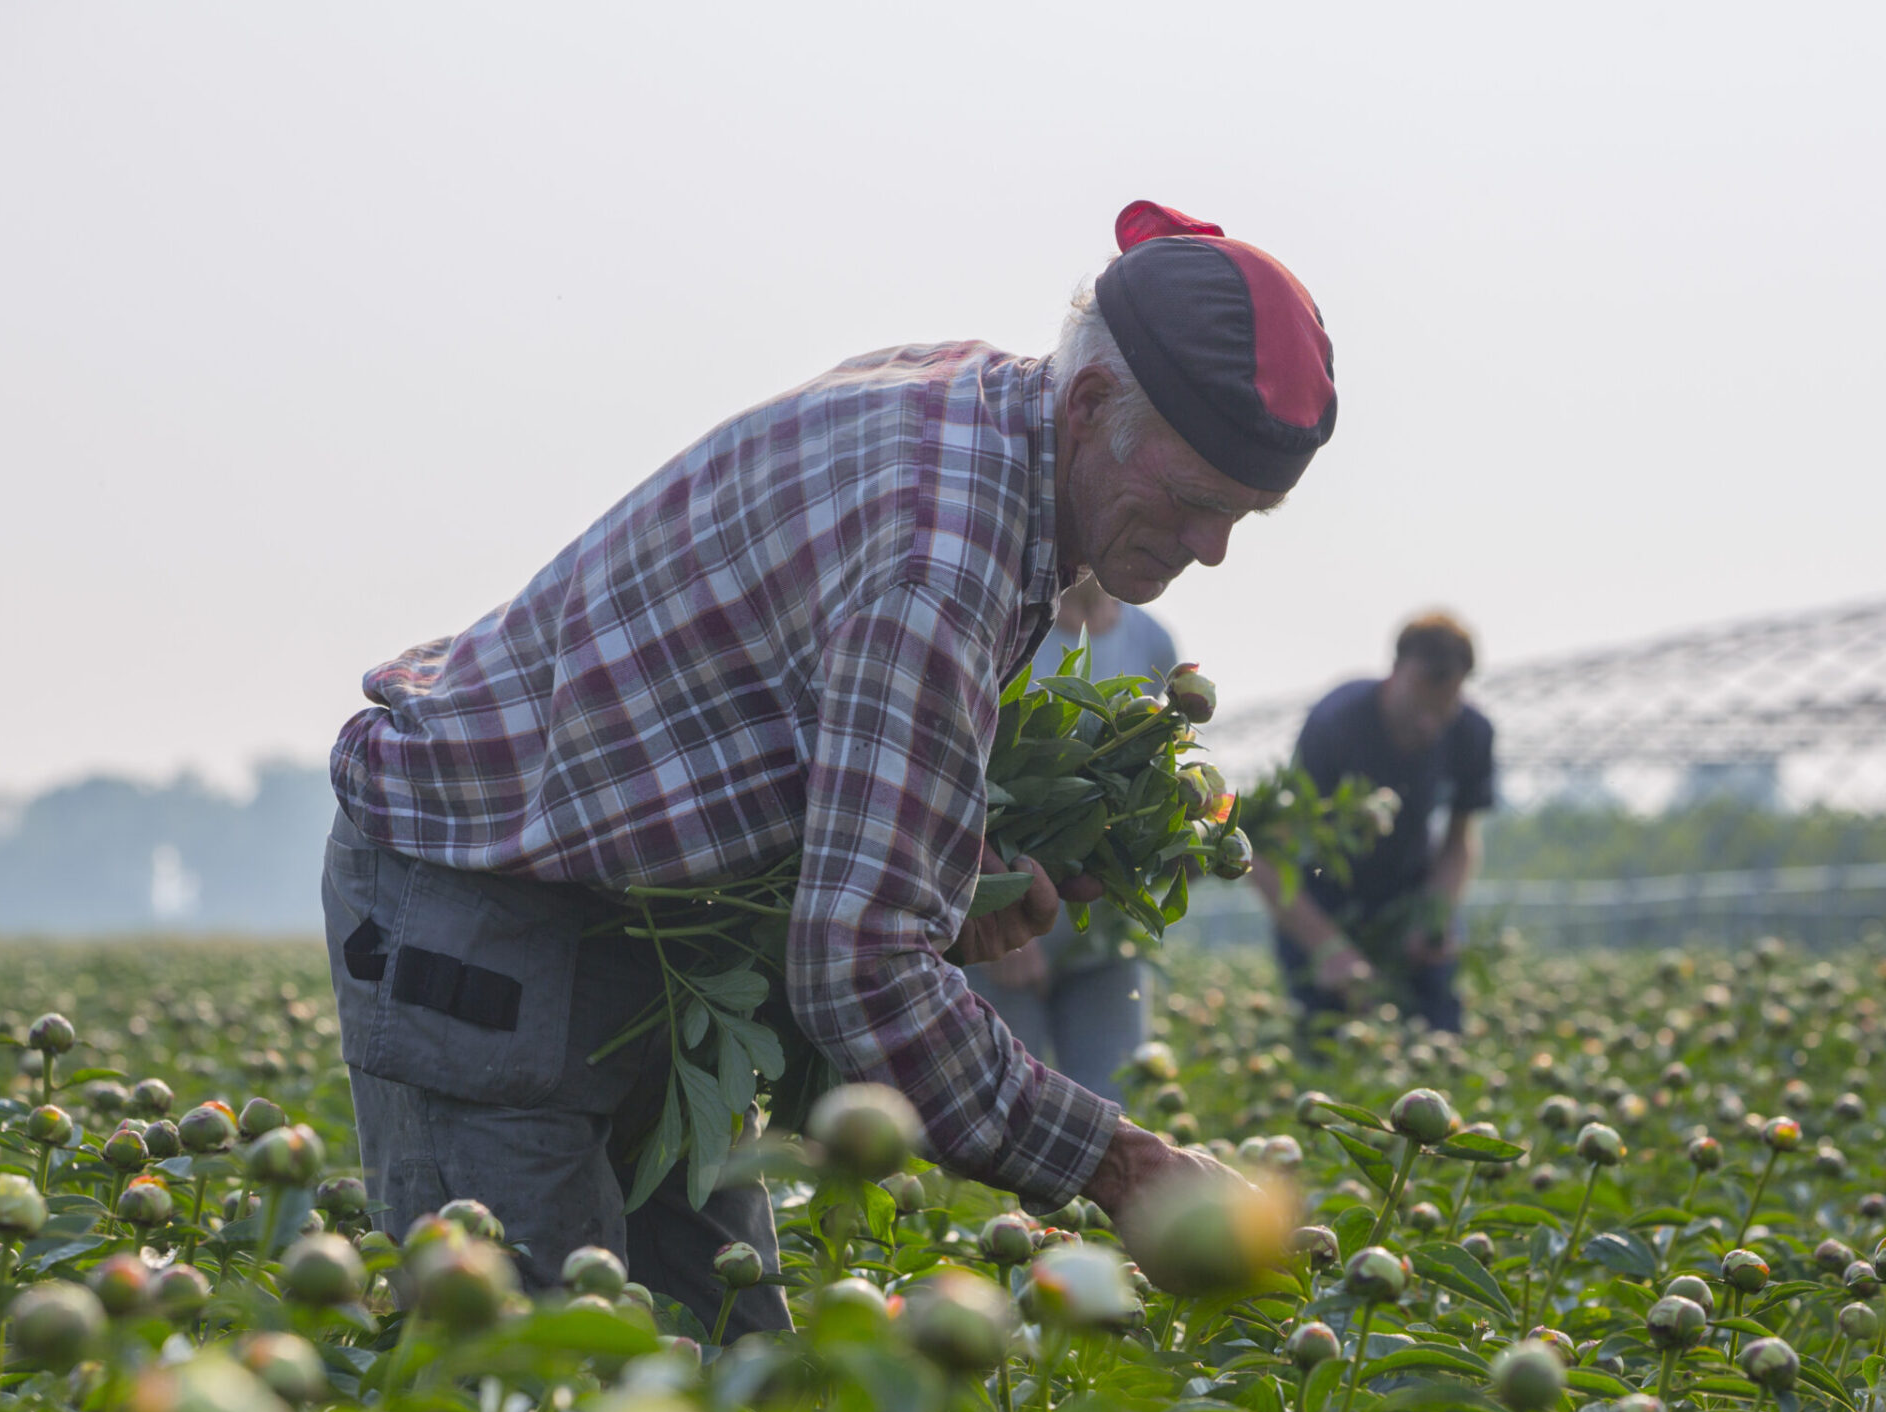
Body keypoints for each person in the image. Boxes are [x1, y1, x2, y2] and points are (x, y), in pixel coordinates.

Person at [319, 199, 1336, 1339]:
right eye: (1198, 502)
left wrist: (961, 869)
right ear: (1094, 405)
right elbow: (857, 966)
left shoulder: (986, 408)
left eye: (1243, 517)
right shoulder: (939, 561)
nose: (1212, 549)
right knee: (530, 1386)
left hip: (640, 925)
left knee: (729, 1364)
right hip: (477, 906)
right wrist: (1122, 1163)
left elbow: (815, 735)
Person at [966, 575, 1177, 1105]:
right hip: (1008, 926)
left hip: (1105, 934)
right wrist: (995, 912)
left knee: (1116, 1106)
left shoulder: (1152, 640)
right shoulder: (1010, 628)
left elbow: (1153, 774)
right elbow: (963, 777)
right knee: (1003, 1111)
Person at [1253, 613, 1494, 1033]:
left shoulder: (1471, 733)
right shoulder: (1337, 723)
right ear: (1396, 671)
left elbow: (1459, 840)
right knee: (1327, 1045)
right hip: (1322, 900)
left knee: (1437, 1031)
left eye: (1445, 706)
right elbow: (1268, 853)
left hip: (1407, 898)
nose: (1429, 724)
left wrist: (1433, 915)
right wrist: (1328, 947)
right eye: (1421, 703)